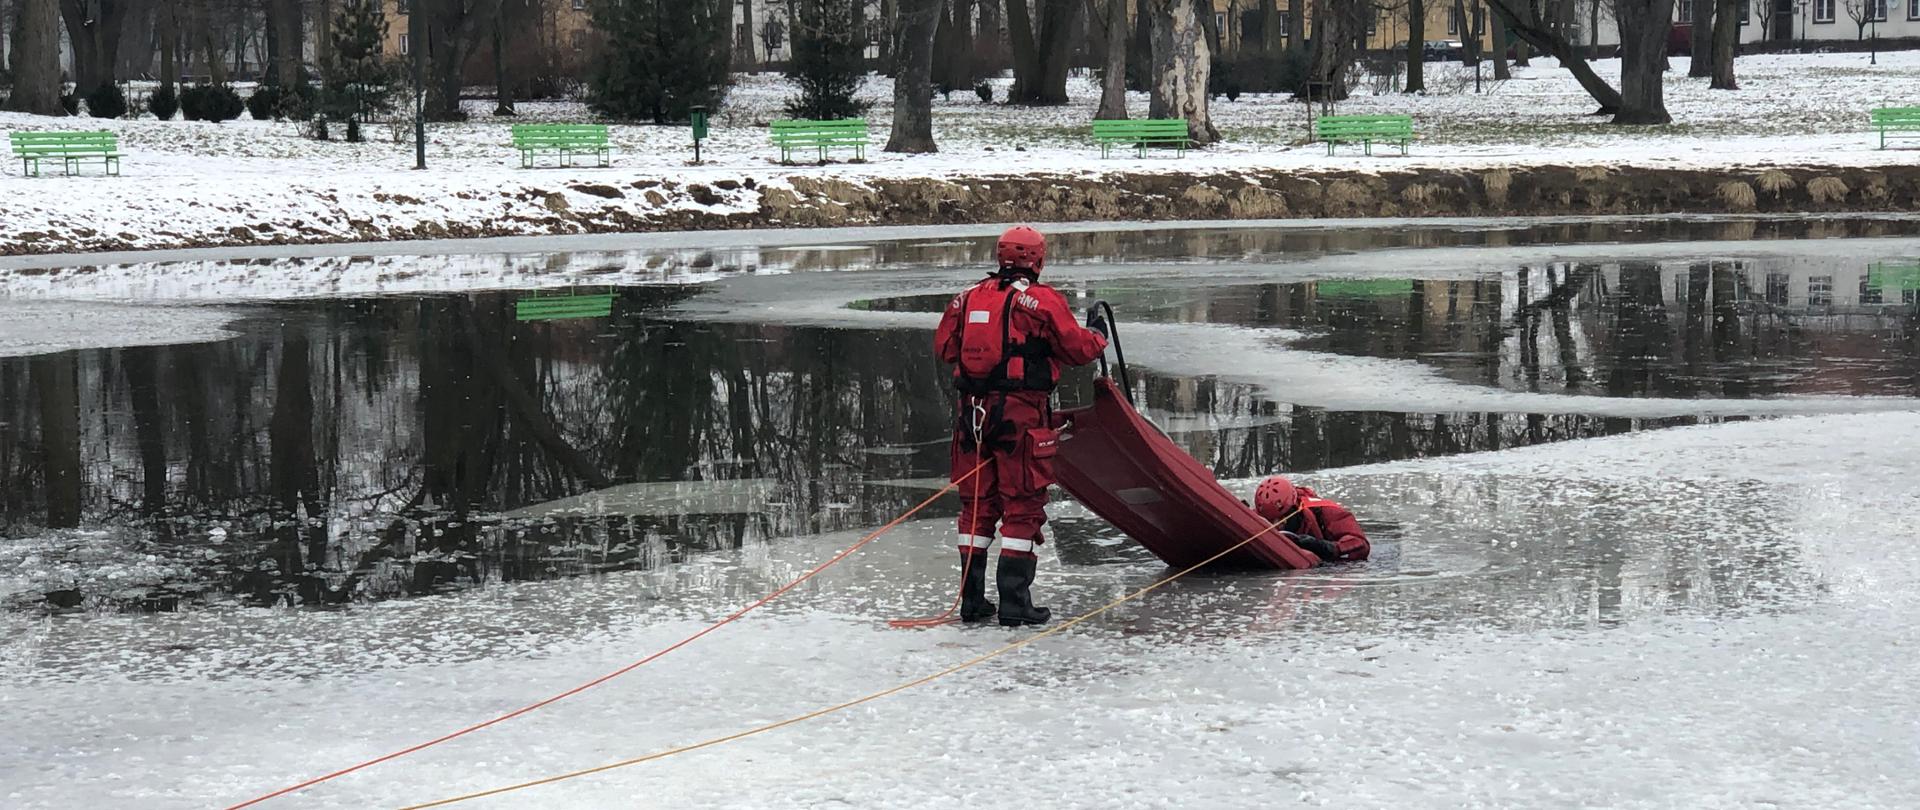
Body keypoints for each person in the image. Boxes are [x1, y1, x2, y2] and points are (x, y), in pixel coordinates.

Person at [934, 226, 1109, 627]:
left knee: (976, 506)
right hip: (1020, 418)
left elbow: (944, 349)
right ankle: (1015, 603)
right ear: (1038, 259)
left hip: (972, 418)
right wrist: (1097, 333)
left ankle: (972, 601)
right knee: (1023, 505)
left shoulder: (966, 298)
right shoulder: (1040, 301)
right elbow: (1077, 349)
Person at [1253, 475, 1371, 564]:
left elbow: (1360, 544)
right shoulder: (1258, 515)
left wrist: (1325, 547)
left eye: (1281, 519)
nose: (1276, 525)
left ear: (1295, 508)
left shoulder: (1325, 511)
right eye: (1270, 520)